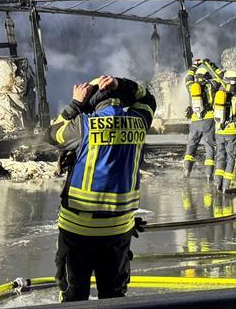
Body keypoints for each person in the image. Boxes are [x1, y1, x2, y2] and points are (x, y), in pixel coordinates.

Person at [48, 75, 155, 302]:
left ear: (93, 100)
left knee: (74, 297)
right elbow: (149, 98)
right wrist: (119, 83)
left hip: (77, 230)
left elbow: (52, 134)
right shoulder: (139, 121)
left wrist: (75, 103)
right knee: (113, 296)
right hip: (118, 228)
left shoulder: (84, 125)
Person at [212, 70, 236, 194]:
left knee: (220, 157)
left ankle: (217, 185)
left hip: (219, 132)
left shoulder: (218, 95)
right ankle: (226, 187)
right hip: (232, 133)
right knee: (230, 158)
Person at [183, 58, 220, 178]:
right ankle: (209, 175)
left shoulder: (191, 86)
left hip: (195, 120)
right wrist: (210, 64)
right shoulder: (211, 86)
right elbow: (220, 76)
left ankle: (186, 173)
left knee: (191, 146)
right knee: (209, 147)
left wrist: (195, 65)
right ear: (206, 76)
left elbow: (188, 77)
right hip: (209, 120)